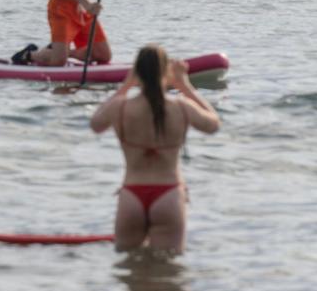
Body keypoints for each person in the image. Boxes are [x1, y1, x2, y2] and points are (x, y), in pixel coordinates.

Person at [90, 45, 220, 253]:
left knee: (128, 270)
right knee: (168, 272)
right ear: (166, 73)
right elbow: (213, 124)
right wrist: (185, 85)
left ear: (137, 72)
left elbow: (96, 124)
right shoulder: (180, 106)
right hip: (168, 195)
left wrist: (125, 85)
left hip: (131, 195)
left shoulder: (121, 106)